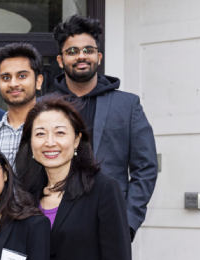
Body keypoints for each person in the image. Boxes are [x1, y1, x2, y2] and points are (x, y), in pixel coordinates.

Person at [49, 15, 157, 240]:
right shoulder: (44, 106)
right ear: (60, 60)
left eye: (88, 50)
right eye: (72, 51)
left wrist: (128, 221)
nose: (81, 56)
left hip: (110, 222)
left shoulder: (128, 105)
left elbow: (145, 167)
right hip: (53, 222)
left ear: (98, 56)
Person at [15, 97, 132, 260]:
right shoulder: (24, 195)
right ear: (30, 142)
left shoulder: (103, 189)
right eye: (40, 134)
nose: (50, 142)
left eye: (60, 133)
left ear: (77, 139)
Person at [0, 43, 44, 166]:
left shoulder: (52, 131)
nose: (13, 84)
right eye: (6, 78)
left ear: (38, 81)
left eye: (22, 76)